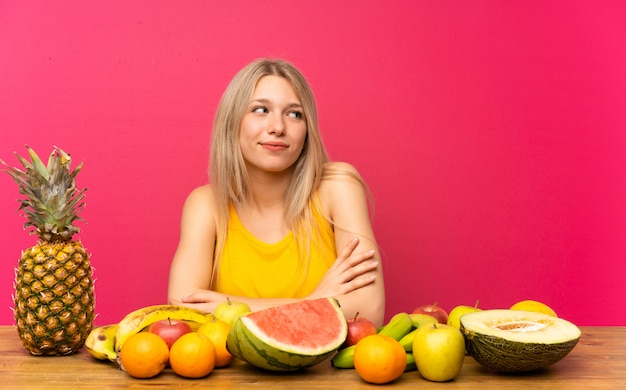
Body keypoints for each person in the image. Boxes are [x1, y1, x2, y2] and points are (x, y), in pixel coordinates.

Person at [167, 58, 385, 326]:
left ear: (307, 130)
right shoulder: (205, 205)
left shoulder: (338, 186)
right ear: (232, 122)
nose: (278, 127)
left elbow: (369, 311)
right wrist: (319, 301)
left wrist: (230, 307)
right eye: (260, 110)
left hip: (323, 369)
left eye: (294, 114)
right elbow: (184, 316)